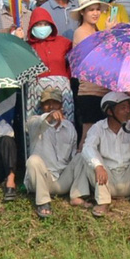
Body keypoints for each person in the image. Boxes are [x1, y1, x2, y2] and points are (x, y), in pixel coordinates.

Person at [78, 92, 130, 217]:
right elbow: (87, 147)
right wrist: (98, 166)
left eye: (128, 107)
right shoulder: (98, 127)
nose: (127, 111)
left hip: (127, 180)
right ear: (110, 111)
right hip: (106, 180)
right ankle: (103, 202)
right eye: (123, 108)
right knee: (91, 157)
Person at [22, 88, 79, 219]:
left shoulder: (69, 127)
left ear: (61, 106)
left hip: (62, 181)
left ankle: (78, 195)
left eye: (55, 103)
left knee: (81, 157)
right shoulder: (34, 122)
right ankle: (43, 203)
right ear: (42, 106)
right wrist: (49, 117)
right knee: (33, 161)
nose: (51, 106)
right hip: (41, 181)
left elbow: (73, 156)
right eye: (47, 103)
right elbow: (40, 123)